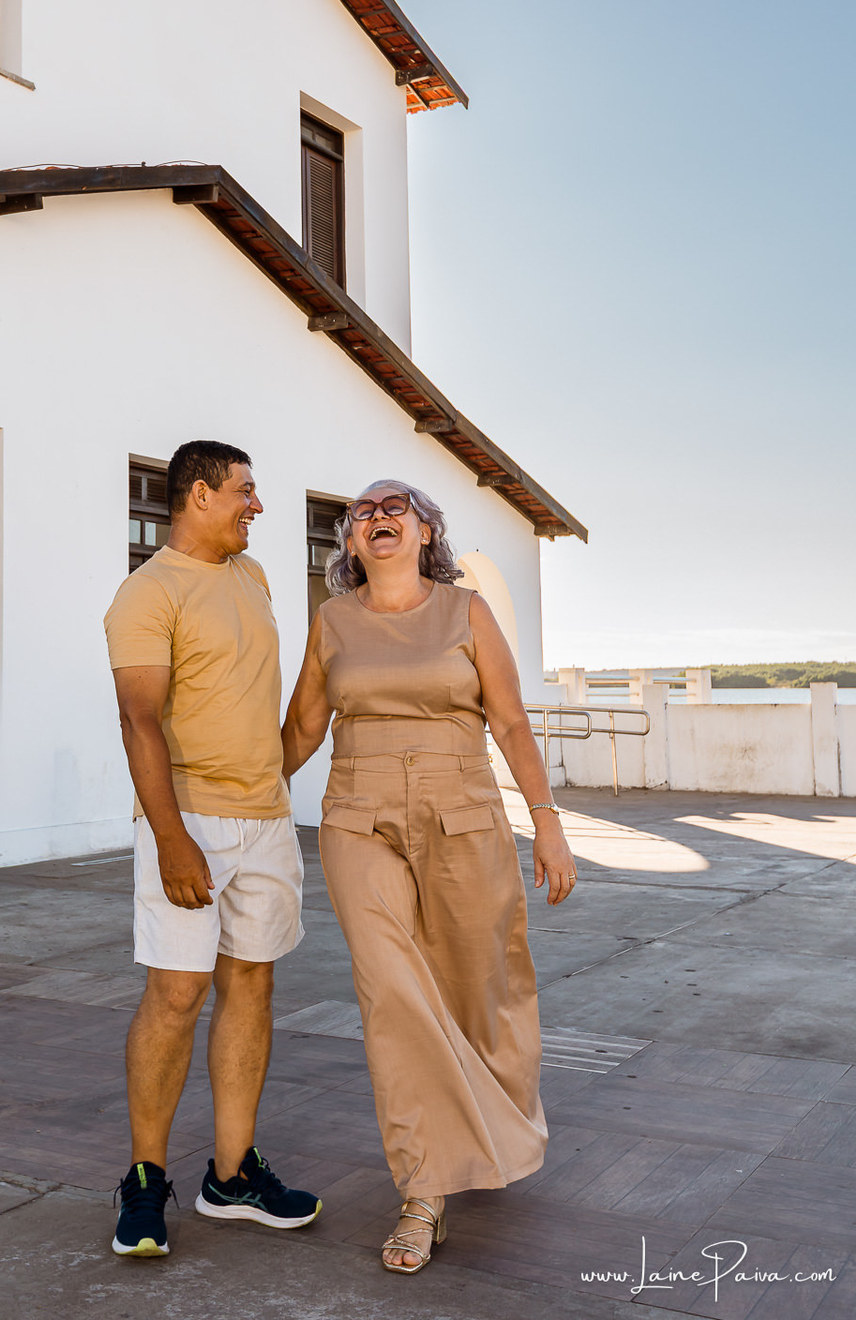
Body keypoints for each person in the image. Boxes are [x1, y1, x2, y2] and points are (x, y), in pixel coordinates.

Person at [281, 479, 577, 1275]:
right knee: (393, 993)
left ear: (424, 534)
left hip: (464, 812)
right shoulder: (333, 622)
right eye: (363, 513)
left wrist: (547, 820)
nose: (377, 517)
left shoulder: (465, 611)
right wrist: (227, 794)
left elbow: (509, 720)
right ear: (349, 543)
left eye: (394, 509)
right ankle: (423, 1188)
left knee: (485, 987)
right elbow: (304, 727)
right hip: (358, 817)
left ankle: (494, 1123)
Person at [103, 440, 320, 1257]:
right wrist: (170, 839)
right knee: (177, 995)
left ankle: (231, 1175)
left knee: (251, 986)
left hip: (266, 819)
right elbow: (139, 721)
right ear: (198, 494)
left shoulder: (253, 578)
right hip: (189, 823)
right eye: (245, 491)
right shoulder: (146, 593)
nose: (256, 505)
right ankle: (146, 1180)